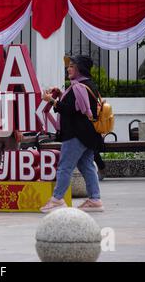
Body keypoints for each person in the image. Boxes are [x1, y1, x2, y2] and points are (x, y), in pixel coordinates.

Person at [40, 55, 104, 213]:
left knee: (64, 167)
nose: (68, 68)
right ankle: (95, 199)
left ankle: (57, 199)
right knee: (87, 165)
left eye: (72, 66)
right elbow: (75, 106)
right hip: (88, 134)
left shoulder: (78, 87)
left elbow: (71, 109)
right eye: (68, 66)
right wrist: (60, 94)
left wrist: (51, 100)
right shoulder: (88, 85)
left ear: (80, 68)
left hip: (76, 134)